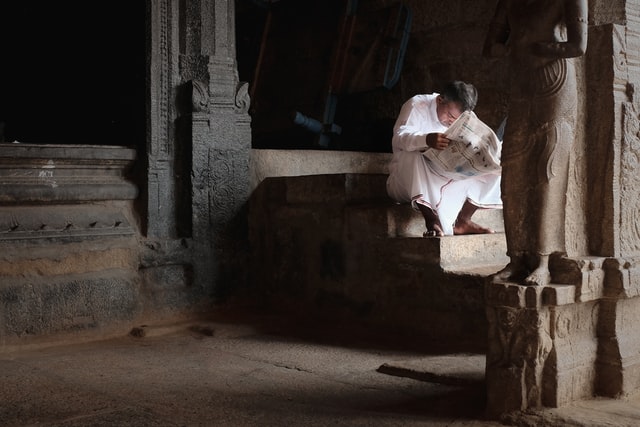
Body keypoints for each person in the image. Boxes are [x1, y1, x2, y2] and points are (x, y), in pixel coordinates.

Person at [483, 0, 588, 286]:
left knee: (547, 169)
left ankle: (542, 259)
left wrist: (537, 48)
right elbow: (490, 47)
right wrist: (513, 48)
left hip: (554, 83)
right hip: (522, 85)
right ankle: (516, 257)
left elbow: (578, 46)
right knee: (512, 172)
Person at [386, 81, 502, 237]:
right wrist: (426, 140)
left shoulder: (465, 118)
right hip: (406, 181)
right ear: (440, 100)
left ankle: (463, 220)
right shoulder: (417, 104)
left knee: (497, 168)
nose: (451, 122)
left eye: (457, 119)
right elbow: (398, 139)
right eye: (449, 115)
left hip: (446, 177)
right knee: (413, 155)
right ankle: (432, 221)